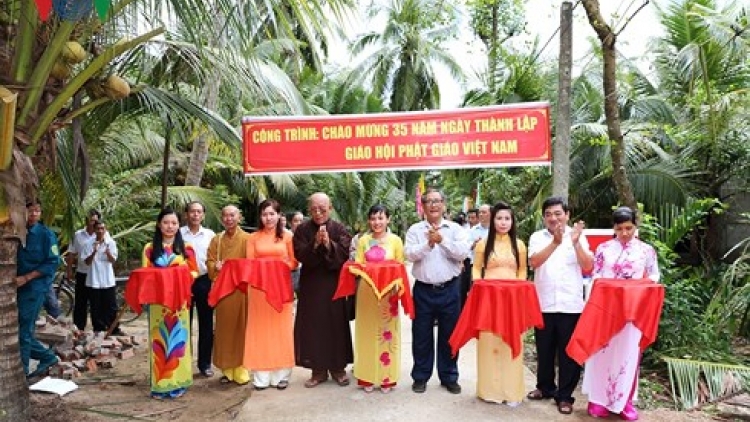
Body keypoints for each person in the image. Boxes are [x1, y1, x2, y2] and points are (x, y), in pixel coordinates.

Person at [583, 206, 660, 421]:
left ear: (636, 226)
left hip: (632, 313)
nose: (625, 233)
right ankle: (598, 400)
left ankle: (623, 402)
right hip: (606, 310)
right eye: (620, 228)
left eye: (629, 227)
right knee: (602, 354)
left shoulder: (646, 251)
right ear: (614, 228)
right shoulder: (604, 249)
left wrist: (636, 289)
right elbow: (595, 278)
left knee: (628, 353)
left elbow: (654, 277)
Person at [527, 197, 593, 415]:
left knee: (569, 353)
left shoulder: (578, 237)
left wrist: (574, 243)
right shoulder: (537, 237)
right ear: (544, 217)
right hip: (544, 302)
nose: (553, 218)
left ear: (567, 215)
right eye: (548, 214)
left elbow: (588, 266)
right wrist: (555, 242)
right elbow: (534, 262)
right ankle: (544, 388)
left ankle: (565, 396)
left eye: (558, 213)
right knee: (544, 350)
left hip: (570, 305)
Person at [405, 188, 470, 395]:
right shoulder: (415, 230)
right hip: (423, 290)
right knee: (421, 335)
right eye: (428, 201)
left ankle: (449, 376)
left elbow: (462, 253)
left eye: (437, 201)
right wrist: (428, 244)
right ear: (423, 206)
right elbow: (409, 255)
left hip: (450, 290)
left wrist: (442, 240)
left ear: (443, 204)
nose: (433, 205)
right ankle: (421, 376)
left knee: (450, 335)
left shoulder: (455, 229)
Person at [293, 192, 353, 388]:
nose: (318, 213)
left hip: (334, 285)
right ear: (309, 209)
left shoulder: (339, 229)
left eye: (322, 209)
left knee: (335, 325)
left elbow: (343, 255)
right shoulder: (302, 230)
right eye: (314, 209)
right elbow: (300, 255)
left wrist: (328, 244)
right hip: (311, 286)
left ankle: (338, 369)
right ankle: (318, 371)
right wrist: (316, 243)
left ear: (331, 208)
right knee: (314, 327)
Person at [471, 202, 528, 406]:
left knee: (510, 340)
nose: (503, 223)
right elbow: (476, 269)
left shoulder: (519, 245)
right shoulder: (483, 244)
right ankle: (489, 391)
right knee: (489, 342)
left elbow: (522, 271)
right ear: (492, 220)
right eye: (499, 218)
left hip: (512, 301)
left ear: (512, 222)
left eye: (507, 219)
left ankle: (511, 391)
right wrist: (480, 286)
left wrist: (518, 290)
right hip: (489, 300)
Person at [142, 208, 198, 399]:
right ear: (159, 224)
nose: (170, 227)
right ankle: (160, 385)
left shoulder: (186, 248)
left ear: (178, 226)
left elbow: (194, 272)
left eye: (174, 223)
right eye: (166, 222)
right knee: (158, 340)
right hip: (158, 303)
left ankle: (178, 382)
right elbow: (145, 275)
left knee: (178, 340)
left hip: (179, 302)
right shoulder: (150, 249)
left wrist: (177, 277)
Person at [245, 199, 299, 391]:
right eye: (264, 214)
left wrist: (280, 265)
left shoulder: (287, 237)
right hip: (259, 290)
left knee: (281, 330)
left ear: (279, 215)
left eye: (272, 214)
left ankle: (282, 375)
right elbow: (249, 263)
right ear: (260, 217)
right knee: (259, 330)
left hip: (281, 288)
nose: (268, 218)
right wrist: (268, 266)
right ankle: (261, 377)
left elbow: (294, 262)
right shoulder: (253, 238)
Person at [353, 204, 405, 393]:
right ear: (369, 220)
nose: (377, 222)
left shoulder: (396, 241)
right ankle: (366, 377)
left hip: (388, 294)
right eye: (373, 218)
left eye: (381, 218)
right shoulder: (363, 241)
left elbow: (400, 266)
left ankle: (386, 378)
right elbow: (358, 264)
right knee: (366, 333)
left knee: (387, 334)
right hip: (367, 290)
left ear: (388, 219)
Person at [206, 205, 252, 385]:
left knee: (241, 329)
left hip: (241, 291)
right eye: (225, 215)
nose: (228, 218)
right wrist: (214, 267)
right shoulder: (216, 240)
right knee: (224, 331)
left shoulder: (248, 239)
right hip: (224, 292)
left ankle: (242, 369)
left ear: (239, 217)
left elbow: (252, 264)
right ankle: (227, 370)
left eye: (232, 215)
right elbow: (210, 261)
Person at [16, 200, 61, 378]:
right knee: (19, 330)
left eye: (37, 211)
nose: (34, 214)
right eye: (30, 211)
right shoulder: (15, 232)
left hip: (35, 288)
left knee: (24, 331)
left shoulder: (46, 235)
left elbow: (52, 263)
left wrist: (26, 278)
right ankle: (47, 357)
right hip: (16, 288)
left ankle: (24, 372)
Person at [180, 201, 216, 377]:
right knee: (183, 322)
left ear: (203, 215)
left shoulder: (210, 235)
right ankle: (183, 363)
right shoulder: (178, 234)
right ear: (186, 214)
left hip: (204, 280)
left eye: (199, 212)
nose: (195, 215)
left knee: (206, 323)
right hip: (183, 282)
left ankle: (205, 364)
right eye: (192, 211)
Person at [67, 209, 102, 330]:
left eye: (95, 221)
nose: (92, 223)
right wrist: (69, 270)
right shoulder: (78, 235)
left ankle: (97, 327)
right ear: (86, 220)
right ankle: (78, 327)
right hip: (82, 272)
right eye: (90, 220)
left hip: (96, 274)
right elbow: (71, 253)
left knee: (96, 302)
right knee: (80, 301)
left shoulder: (102, 235)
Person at [82, 220, 119, 335]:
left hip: (107, 279)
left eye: (102, 228)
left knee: (111, 305)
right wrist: (94, 251)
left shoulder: (111, 243)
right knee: (95, 306)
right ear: (94, 230)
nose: (100, 231)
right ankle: (98, 328)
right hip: (94, 279)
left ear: (105, 229)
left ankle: (113, 328)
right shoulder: (88, 243)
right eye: (98, 229)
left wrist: (108, 253)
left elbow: (113, 260)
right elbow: (86, 262)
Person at [461, 203, 491, 308]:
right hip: (477, 267)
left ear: (491, 214)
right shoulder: (472, 231)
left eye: (484, 212)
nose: (481, 215)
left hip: (492, 268)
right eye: (480, 212)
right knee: (476, 295)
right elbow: (465, 249)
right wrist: (474, 245)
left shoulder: (496, 230)